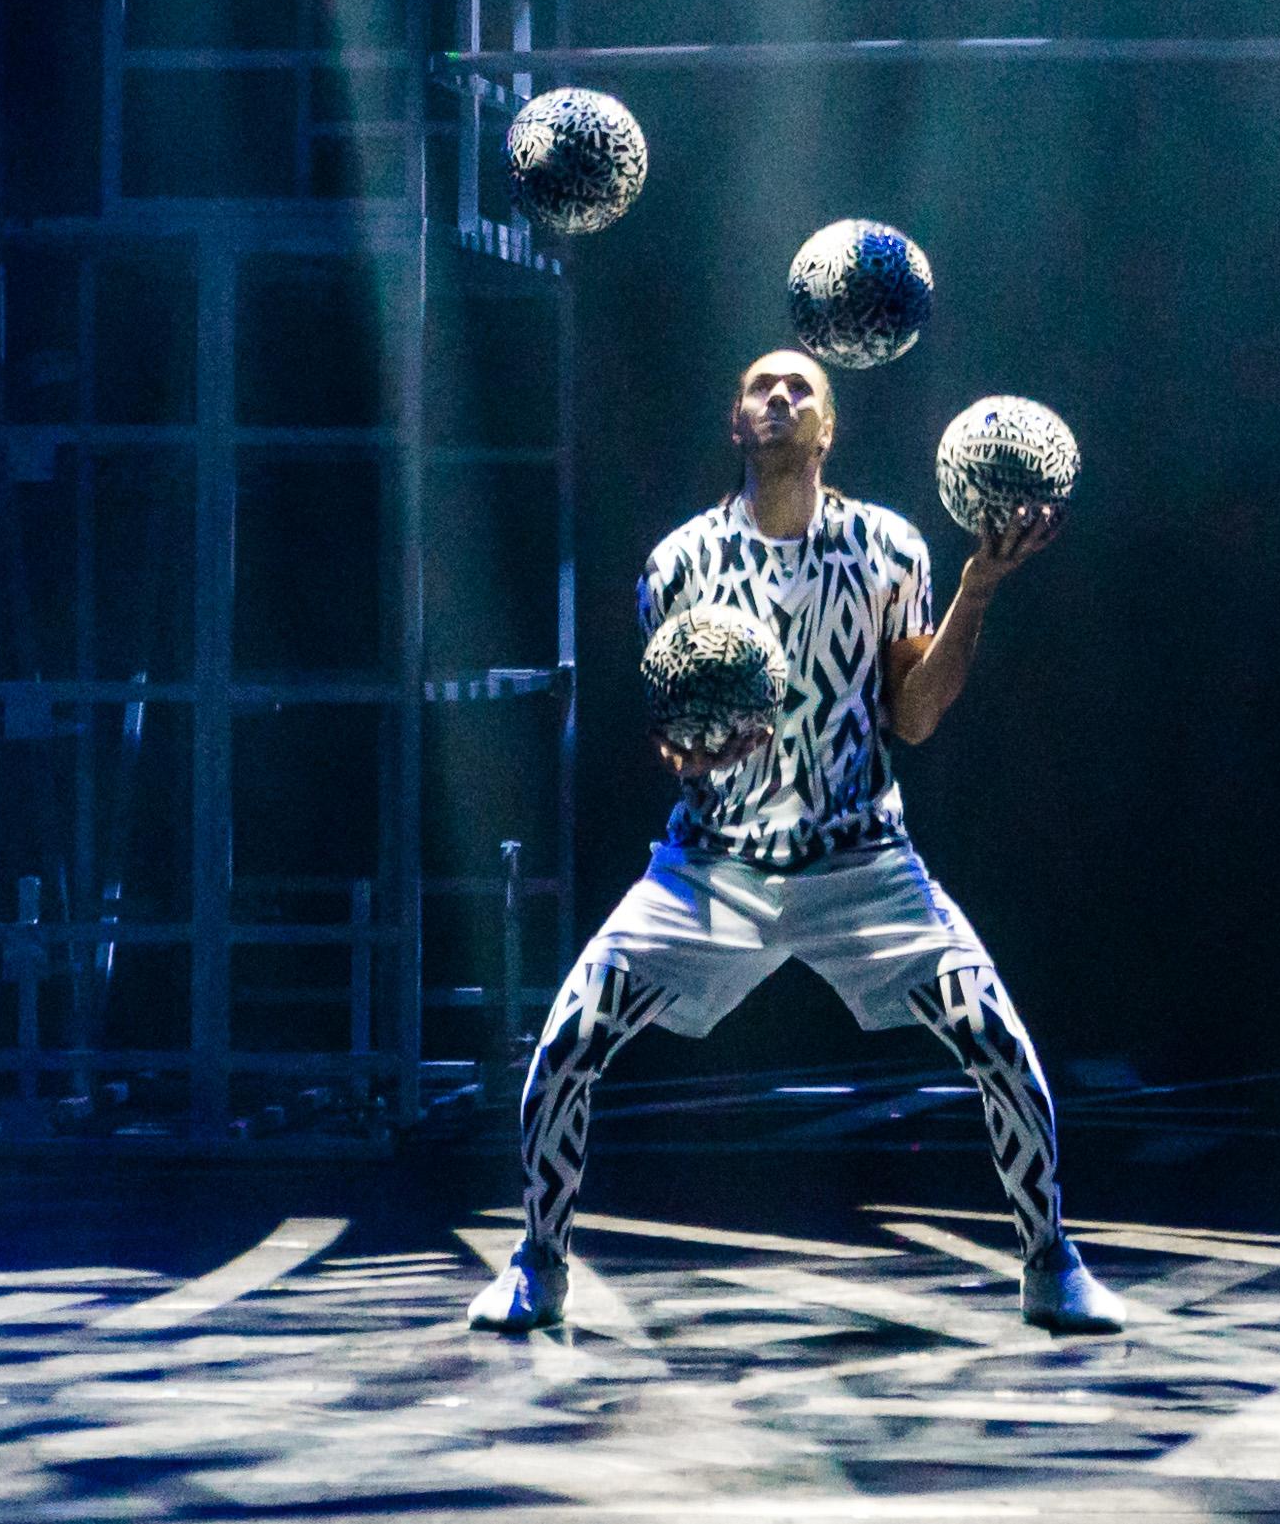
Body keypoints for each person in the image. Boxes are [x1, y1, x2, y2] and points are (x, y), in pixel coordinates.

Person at [472, 349, 1115, 1338]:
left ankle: (1049, 1262)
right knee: (565, 1046)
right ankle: (539, 1262)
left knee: (999, 1044)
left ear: (829, 427)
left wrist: (979, 587)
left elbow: (912, 715)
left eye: (800, 387)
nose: (779, 396)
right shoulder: (679, 562)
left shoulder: (888, 546)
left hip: (863, 868)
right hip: (710, 868)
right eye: (759, 387)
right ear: (735, 421)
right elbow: (670, 732)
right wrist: (693, 751)